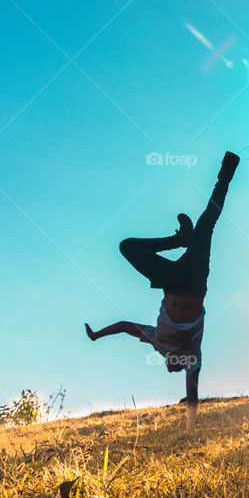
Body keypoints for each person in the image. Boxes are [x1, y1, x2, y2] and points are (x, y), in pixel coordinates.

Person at [85, 151, 240, 431]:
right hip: (194, 282)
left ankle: (178, 240)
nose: (174, 361)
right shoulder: (193, 356)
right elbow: (192, 394)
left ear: (166, 360)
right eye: (177, 364)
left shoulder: (157, 341)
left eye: (171, 362)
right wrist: (191, 427)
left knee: (127, 246)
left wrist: (97, 335)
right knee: (207, 224)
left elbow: (123, 326)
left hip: (170, 281)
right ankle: (226, 175)